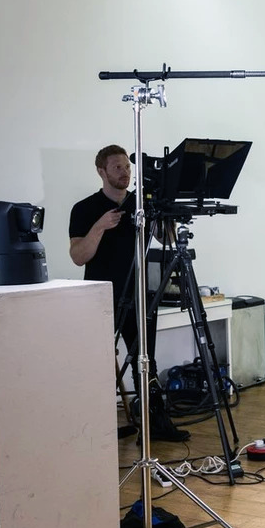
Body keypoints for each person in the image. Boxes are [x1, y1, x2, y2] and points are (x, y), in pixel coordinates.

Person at [69, 144, 190, 442]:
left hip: (139, 295)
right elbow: (78, 256)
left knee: (145, 360)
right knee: (97, 360)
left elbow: (166, 237)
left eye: (127, 167)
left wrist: (164, 213)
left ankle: (155, 424)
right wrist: (99, 227)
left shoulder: (140, 204)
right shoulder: (84, 209)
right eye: (117, 167)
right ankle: (95, 427)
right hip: (101, 297)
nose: (125, 173)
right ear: (101, 171)